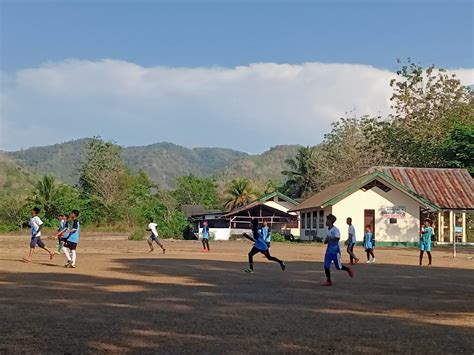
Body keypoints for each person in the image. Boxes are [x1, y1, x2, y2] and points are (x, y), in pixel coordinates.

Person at [323, 214, 353, 286]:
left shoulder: (335, 229)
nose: (325, 221)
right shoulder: (328, 230)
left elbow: (337, 238)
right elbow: (327, 240)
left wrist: (329, 239)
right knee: (326, 266)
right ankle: (329, 281)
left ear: (330, 221)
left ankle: (348, 269)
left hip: (335, 250)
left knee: (338, 267)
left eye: (327, 220)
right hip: (329, 250)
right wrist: (326, 241)